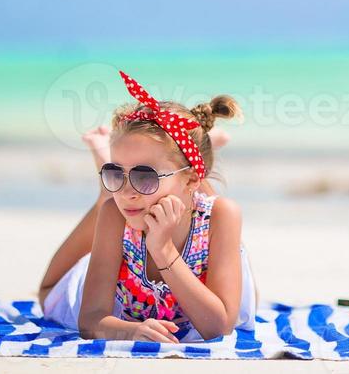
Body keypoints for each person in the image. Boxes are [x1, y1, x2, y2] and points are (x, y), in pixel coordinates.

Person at [39, 70, 257, 343]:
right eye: (114, 172)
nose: (127, 191)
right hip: (177, 185)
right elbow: (90, 319)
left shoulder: (222, 214)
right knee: (47, 293)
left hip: (191, 191)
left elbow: (218, 328)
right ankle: (121, 183)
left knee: (241, 275)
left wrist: (163, 250)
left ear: (191, 178)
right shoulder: (115, 215)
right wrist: (129, 331)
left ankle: (193, 157)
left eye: (145, 176)